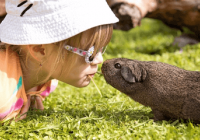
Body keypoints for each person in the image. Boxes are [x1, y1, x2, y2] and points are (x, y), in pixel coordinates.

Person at [0, 0, 118, 122]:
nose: (99, 60)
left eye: (101, 48)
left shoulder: (47, 78)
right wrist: (9, 108)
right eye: (90, 52)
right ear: (40, 49)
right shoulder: (2, 94)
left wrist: (28, 91)